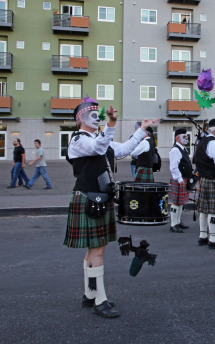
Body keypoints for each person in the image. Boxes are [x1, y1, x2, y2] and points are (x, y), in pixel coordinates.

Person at [63, 96, 158, 318]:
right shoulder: (78, 140)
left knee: (95, 250)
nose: (96, 117)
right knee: (97, 250)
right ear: (80, 118)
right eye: (91, 114)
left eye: (98, 113)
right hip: (87, 197)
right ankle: (100, 299)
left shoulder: (99, 138)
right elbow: (97, 147)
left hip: (99, 198)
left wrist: (142, 129)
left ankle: (90, 294)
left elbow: (124, 149)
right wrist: (111, 125)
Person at [193, 118, 215, 249]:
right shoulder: (213, 143)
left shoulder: (203, 141)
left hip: (205, 179)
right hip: (214, 179)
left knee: (204, 210)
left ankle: (203, 236)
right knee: (213, 210)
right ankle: (213, 239)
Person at [168, 128, 193, 233]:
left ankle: (178, 221)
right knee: (176, 202)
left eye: (186, 136)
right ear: (177, 138)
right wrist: (179, 179)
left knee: (181, 202)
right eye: (184, 137)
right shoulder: (175, 150)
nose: (186, 139)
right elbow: (173, 167)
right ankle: (173, 224)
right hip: (179, 179)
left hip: (184, 178)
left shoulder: (183, 149)